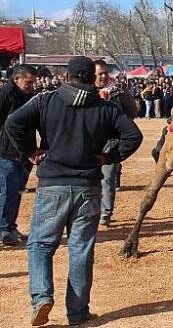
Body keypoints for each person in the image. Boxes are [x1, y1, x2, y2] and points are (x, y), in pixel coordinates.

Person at [5, 56, 143, 326]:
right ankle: (78, 313)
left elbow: (13, 123)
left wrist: (31, 152)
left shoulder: (46, 100)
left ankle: (42, 296)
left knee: (41, 245)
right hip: (89, 187)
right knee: (81, 250)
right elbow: (133, 136)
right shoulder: (106, 108)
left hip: (53, 185)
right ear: (93, 78)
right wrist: (109, 157)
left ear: (66, 76)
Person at [94, 59, 138, 226]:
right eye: (100, 73)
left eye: (106, 73)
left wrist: (120, 126)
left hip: (112, 141)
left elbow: (132, 110)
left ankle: (105, 212)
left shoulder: (118, 90)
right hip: (89, 141)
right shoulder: (86, 90)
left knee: (107, 177)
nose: (104, 76)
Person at [0, 64, 36, 245]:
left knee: (17, 191)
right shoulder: (5, 94)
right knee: (7, 191)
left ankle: (9, 226)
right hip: (6, 152)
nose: (31, 85)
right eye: (29, 82)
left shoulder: (28, 96)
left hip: (24, 153)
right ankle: (4, 230)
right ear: (17, 79)